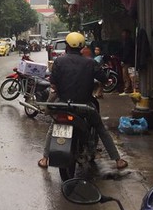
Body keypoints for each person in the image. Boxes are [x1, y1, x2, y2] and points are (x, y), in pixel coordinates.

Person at [38, 32, 128, 171]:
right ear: (82, 47)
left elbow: (53, 84)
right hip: (84, 106)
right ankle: (118, 160)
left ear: (67, 46)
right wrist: (107, 80)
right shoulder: (91, 62)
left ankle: (45, 159)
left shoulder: (59, 61)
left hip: (63, 104)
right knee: (100, 128)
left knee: (54, 126)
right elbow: (104, 79)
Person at [119, 28, 135, 96]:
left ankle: (127, 89)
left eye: (124, 33)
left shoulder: (128, 42)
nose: (122, 35)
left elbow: (127, 52)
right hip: (128, 60)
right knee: (128, 75)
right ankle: (129, 88)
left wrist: (123, 60)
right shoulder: (125, 42)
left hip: (127, 61)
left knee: (126, 75)